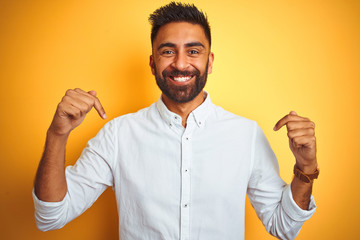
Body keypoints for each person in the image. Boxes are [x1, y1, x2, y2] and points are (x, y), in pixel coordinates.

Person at [33, 2, 319, 240]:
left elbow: (284, 227)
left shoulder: (246, 135)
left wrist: (306, 168)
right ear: (152, 62)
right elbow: (51, 216)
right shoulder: (118, 135)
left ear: (209, 62)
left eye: (193, 51)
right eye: (168, 51)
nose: (181, 64)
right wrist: (57, 134)